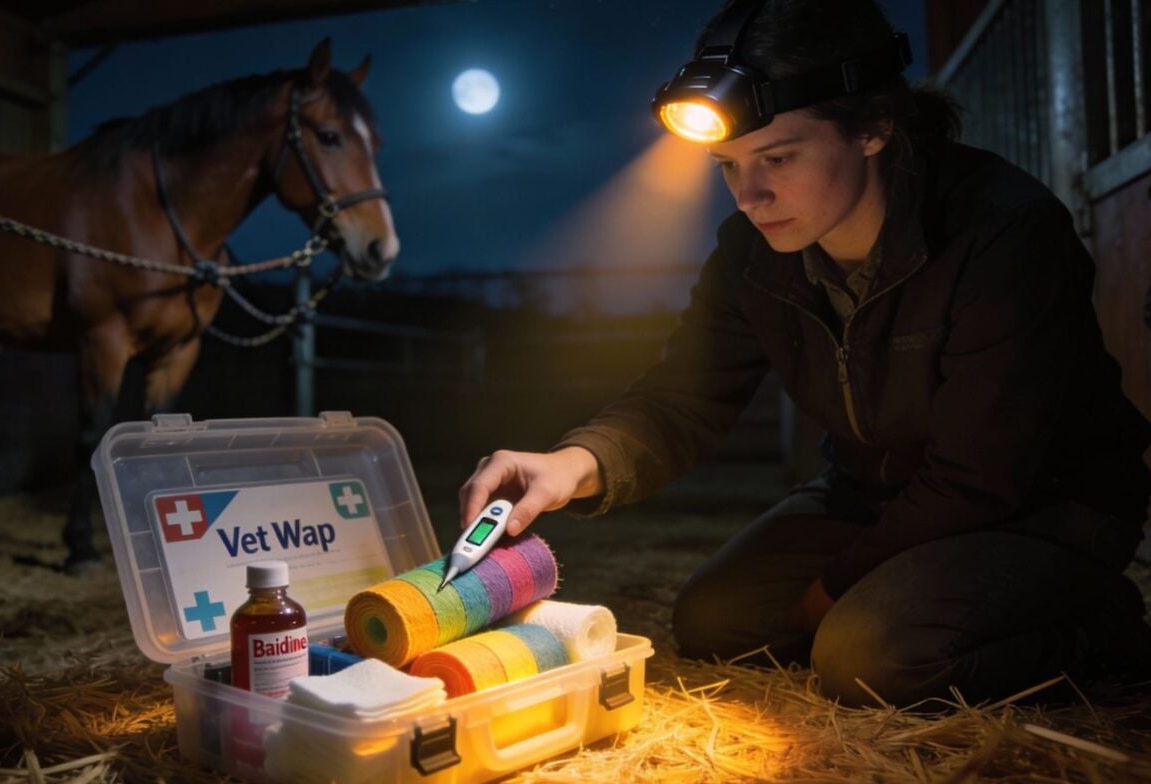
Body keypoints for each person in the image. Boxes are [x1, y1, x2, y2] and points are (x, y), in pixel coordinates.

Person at [459, 0, 1151, 707]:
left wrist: (830, 591)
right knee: (713, 622)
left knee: (868, 657)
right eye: (727, 166)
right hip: (872, 496)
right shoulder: (751, 256)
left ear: (876, 125)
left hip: (1042, 509)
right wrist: (579, 463)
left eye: (778, 158)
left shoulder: (1002, 233)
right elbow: (684, 395)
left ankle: (1103, 626)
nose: (750, 197)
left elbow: (982, 477)